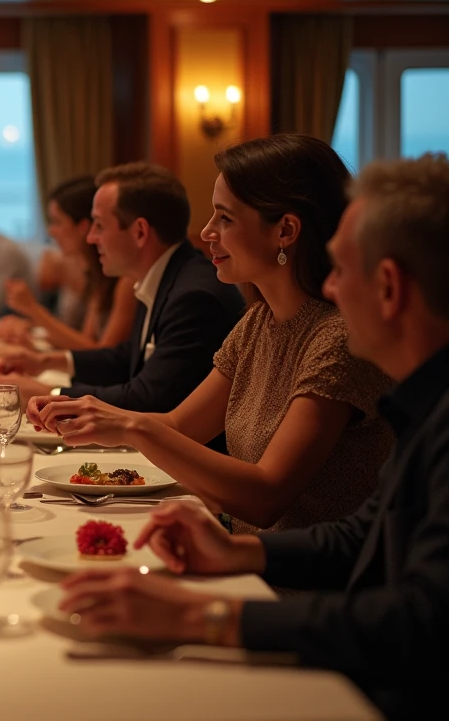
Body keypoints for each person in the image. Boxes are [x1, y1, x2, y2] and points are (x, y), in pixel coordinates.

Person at [53, 153, 449, 721]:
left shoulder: (342, 346)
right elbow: (359, 537)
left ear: (388, 286)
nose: (333, 288)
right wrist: (234, 550)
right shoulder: (266, 324)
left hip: (352, 662)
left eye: (343, 269)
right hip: (300, 608)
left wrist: (200, 617)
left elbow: (420, 622)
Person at [28, 135, 393, 532]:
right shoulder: (258, 323)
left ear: (285, 230)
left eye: (225, 217)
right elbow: (181, 425)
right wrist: (89, 413)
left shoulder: (337, 340)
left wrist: (128, 426)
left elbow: (266, 497)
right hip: (238, 557)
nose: (206, 232)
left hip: (293, 582)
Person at [0, 162, 244, 413]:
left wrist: (50, 394)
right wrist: (44, 361)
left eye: (99, 225)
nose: (91, 237)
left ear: (139, 232)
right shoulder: (168, 276)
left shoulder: (194, 297)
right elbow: (127, 359)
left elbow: (149, 398)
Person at [0, 176, 138, 350]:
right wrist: (33, 340)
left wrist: (33, 309)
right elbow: (84, 341)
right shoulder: (96, 272)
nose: (51, 231)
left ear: (82, 226)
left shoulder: (125, 279)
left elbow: (102, 355)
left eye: (57, 222)